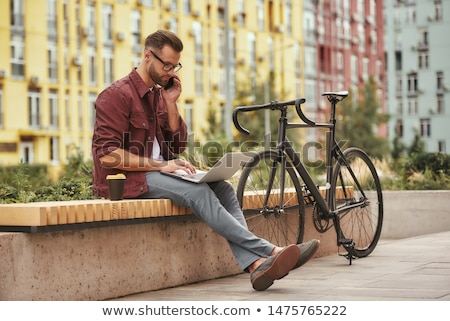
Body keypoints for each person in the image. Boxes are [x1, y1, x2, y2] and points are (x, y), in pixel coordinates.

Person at [92, 30, 319, 291]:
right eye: (166, 64)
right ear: (147, 57)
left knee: (223, 188)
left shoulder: (158, 96)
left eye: (175, 65)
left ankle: (256, 266)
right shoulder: (116, 95)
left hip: (161, 173)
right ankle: (270, 250)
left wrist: (171, 102)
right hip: (129, 180)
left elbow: (177, 145)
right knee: (199, 192)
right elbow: (106, 154)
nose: (170, 71)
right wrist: (162, 165)